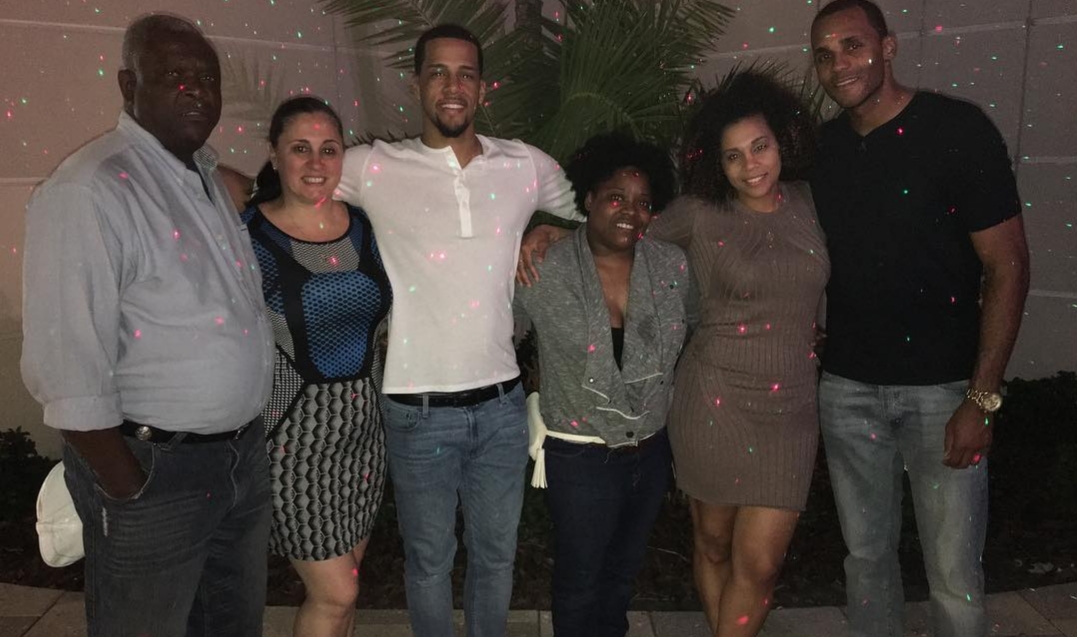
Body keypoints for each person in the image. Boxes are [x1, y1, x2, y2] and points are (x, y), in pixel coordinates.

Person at [518, 71, 829, 637]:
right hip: (713, 402)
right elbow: (627, 228)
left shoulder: (812, 201)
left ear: (781, 141)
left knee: (761, 566)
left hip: (791, 412)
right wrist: (556, 232)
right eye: (733, 155)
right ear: (717, 163)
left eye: (759, 146)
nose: (750, 164)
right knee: (710, 546)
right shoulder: (700, 212)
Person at [20, 13, 275, 637]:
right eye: (174, 75)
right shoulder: (91, 190)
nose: (196, 90)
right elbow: (66, 363)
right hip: (155, 470)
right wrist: (127, 484)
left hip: (237, 462)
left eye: (206, 78)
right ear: (128, 84)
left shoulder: (202, 177)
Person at [334, 24, 584, 637]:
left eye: (466, 74)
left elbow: (602, 211)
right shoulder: (374, 166)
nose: (453, 86)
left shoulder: (523, 164)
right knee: (428, 564)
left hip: (501, 407)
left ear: (482, 87)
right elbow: (292, 181)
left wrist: (555, 229)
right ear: (417, 83)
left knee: (496, 560)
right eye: (439, 73)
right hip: (415, 410)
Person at [809, 1, 1030, 636]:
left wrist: (981, 399)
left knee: (954, 576)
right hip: (847, 389)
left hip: (943, 392)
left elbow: (1009, 265)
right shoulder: (824, 149)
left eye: (853, 46)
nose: (839, 65)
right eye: (824, 55)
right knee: (866, 562)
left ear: (888, 46)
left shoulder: (956, 130)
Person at [514, 133, 687, 637]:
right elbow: (496, 327)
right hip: (579, 455)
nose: (630, 211)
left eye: (643, 202)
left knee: (622, 575)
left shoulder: (671, 267)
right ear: (588, 199)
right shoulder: (543, 267)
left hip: (650, 451)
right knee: (580, 579)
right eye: (616, 197)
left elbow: (698, 324)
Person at [240, 96, 391, 637]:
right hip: (292, 442)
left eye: (329, 149)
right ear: (274, 154)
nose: (315, 162)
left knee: (346, 589)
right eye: (299, 148)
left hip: (366, 437)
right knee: (336, 592)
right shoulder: (247, 236)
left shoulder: (366, 227)